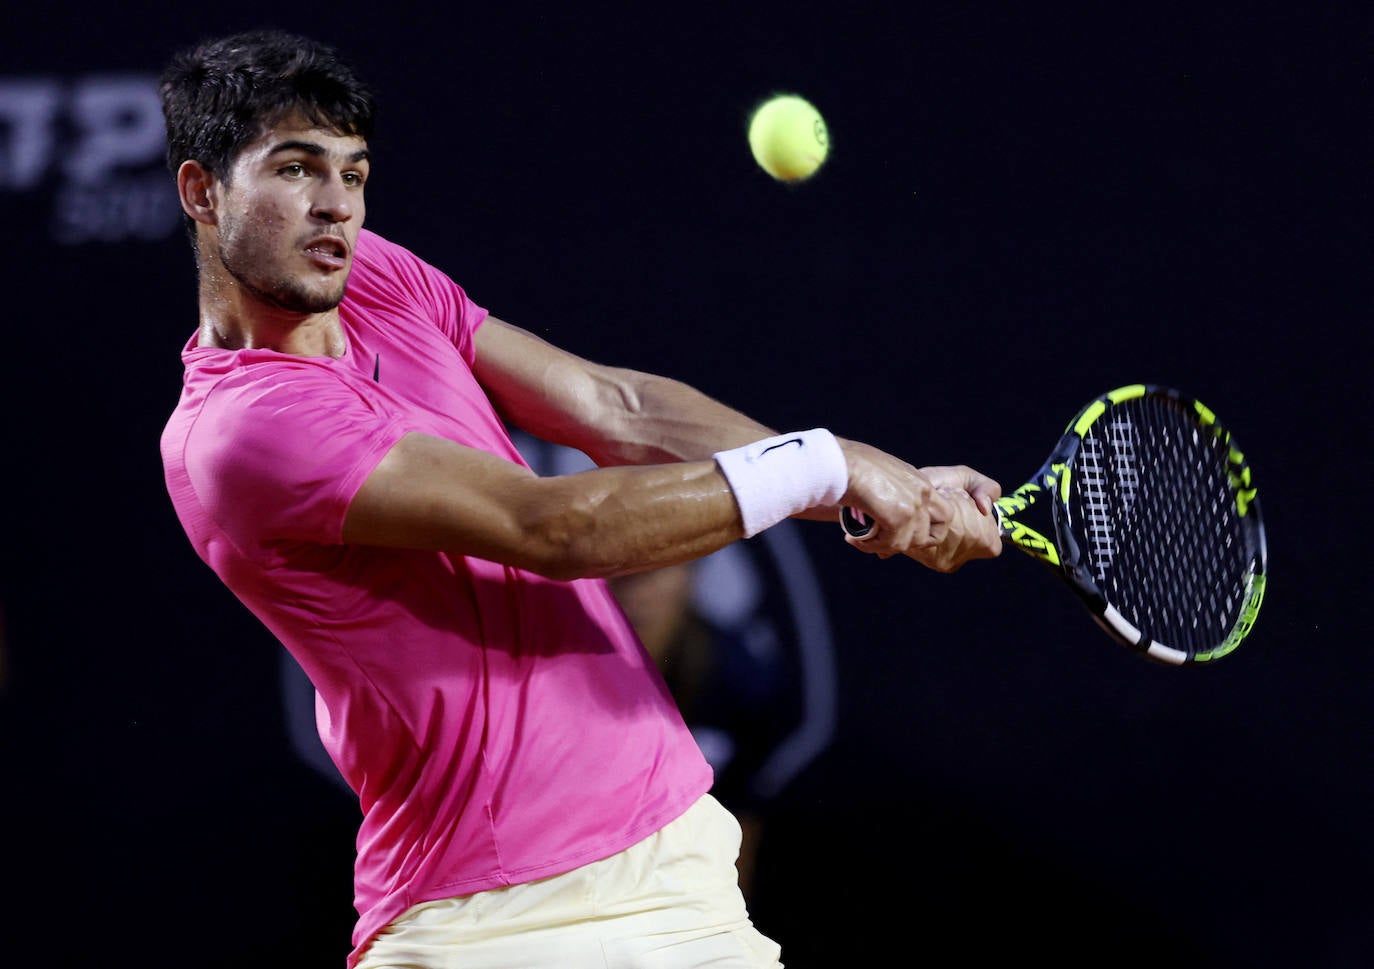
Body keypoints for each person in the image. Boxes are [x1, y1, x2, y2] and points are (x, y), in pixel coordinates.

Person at [157, 29, 1003, 969]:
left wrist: (882, 478)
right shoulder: (243, 430)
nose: (336, 208)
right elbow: (551, 526)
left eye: (353, 175)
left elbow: (615, 405)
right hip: (493, 918)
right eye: (296, 170)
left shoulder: (372, 278)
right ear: (203, 192)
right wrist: (828, 467)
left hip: (677, 862)